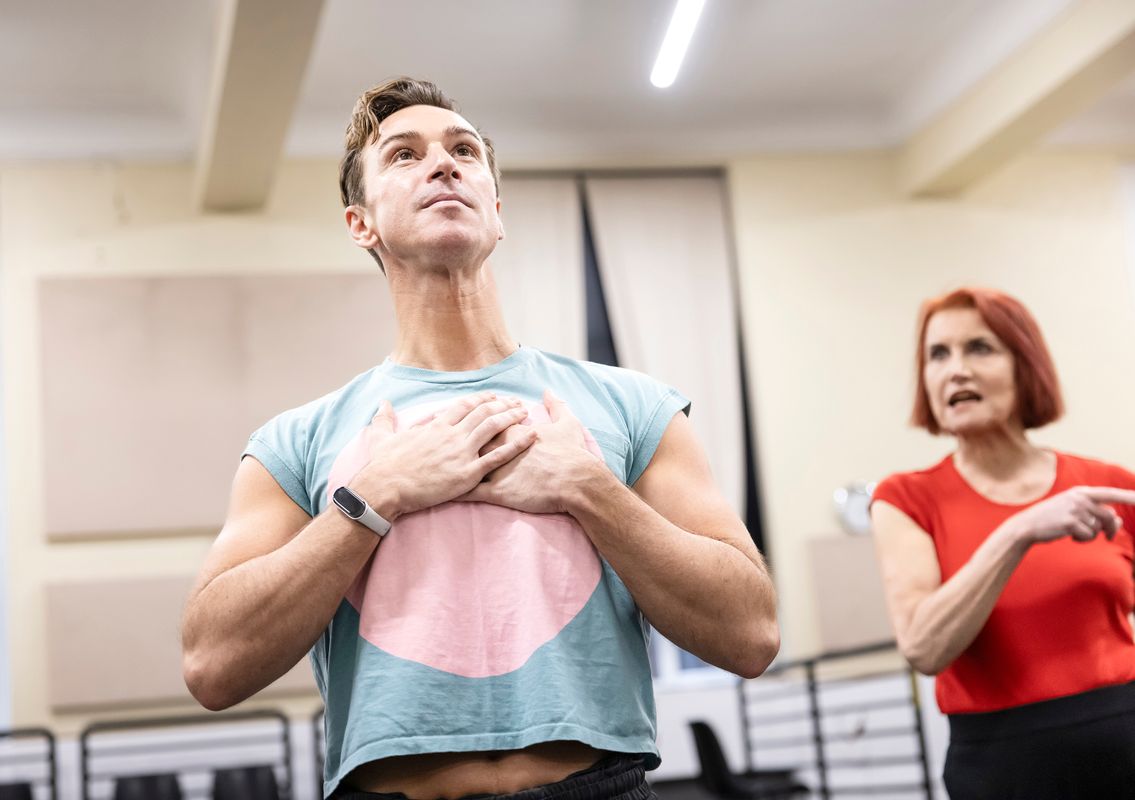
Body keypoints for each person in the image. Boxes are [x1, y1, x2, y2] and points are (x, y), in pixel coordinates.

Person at [180, 77, 779, 800]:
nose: (442, 163)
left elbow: (750, 634)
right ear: (359, 222)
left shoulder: (633, 407)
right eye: (403, 155)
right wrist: (372, 497)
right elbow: (212, 665)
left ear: (496, 209)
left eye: (463, 150)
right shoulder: (295, 441)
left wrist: (587, 489)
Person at [870, 286, 1135, 799]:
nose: (956, 370)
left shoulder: (1108, 485)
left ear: (1025, 364)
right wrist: (1018, 531)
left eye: (979, 348)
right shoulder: (906, 499)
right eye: (938, 354)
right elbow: (923, 647)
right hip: (1000, 765)